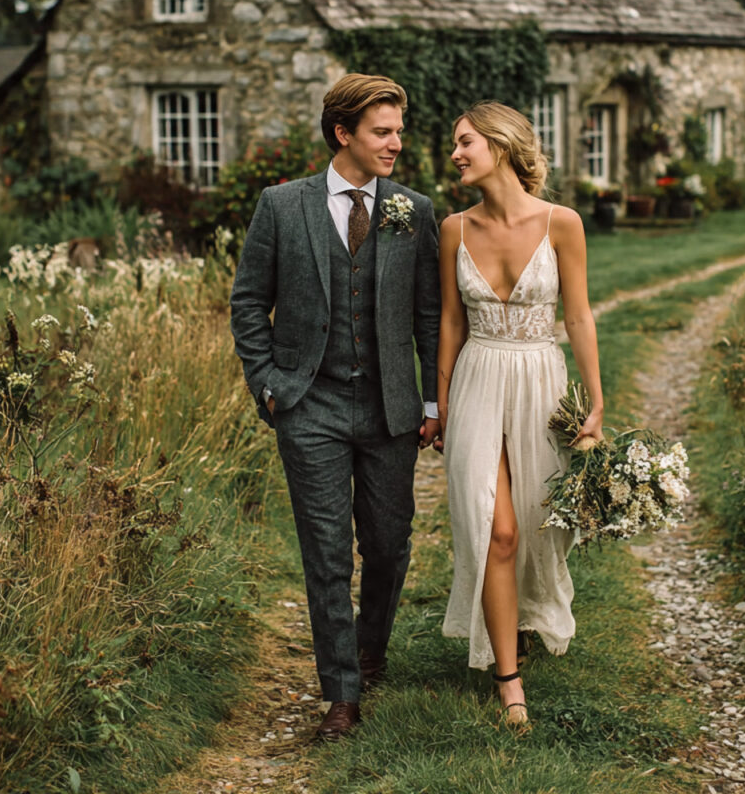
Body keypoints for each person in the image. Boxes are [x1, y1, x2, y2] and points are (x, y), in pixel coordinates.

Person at [230, 74, 441, 740]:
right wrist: (268, 382)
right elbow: (246, 302)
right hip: (308, 406)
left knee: (387, 546)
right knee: (326, 554)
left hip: (389, 411)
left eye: (399, 131)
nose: (395, 144)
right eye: (383, 131)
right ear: (342, 132)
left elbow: (429, 314)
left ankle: (370, 650)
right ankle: (341, 696)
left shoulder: (414, 211)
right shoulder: (281, 206)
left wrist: (432, 397)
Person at [437, 101, 604, 725]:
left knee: (536, 528)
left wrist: (595, 399)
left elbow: (579, 316)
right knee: (494, 528)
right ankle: (509, 682)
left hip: (540, 379)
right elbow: (451, 323)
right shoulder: (453, 228)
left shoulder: (563, 224)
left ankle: (524, 624)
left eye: (464, 143)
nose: (455, 154)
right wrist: (444, 401)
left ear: (501, 146)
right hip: (479, 377)